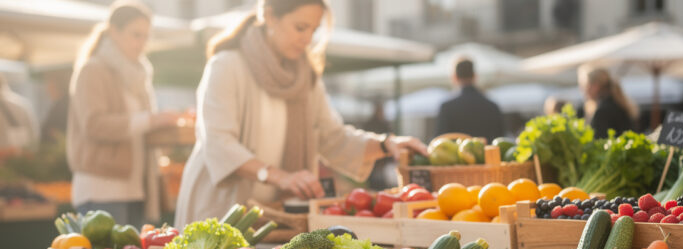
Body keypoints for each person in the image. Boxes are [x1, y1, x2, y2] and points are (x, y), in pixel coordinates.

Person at [174, 0, 426, 227]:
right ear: (270, 16)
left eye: (313, 30)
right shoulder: (226, 65)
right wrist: (280, 177)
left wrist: (386, 144)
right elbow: (219, 142)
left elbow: (333, 137)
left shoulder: (306, 77)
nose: (307, 38)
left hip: (275, 217)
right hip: (219, 209)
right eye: (300, 27)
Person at [67, 0, 179, 228]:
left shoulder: (139, 75)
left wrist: (164, 127)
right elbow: (94, 124)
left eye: (146, 36)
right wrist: (151, 120)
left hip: (137, 189)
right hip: (101, 190)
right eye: (136, 35)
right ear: (113, 32)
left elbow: (143, 128)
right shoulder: (93, 70)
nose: (142, 43)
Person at [435, 57, 505, 141]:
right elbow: (500, 138)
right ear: (475, 76)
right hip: (486, 153)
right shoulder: (492, 106)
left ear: (454, 77)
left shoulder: (447, 107)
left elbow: (440, 140)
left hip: (457, 154)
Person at [578, 66, 638, 139]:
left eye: (585, 86)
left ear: (595, 86)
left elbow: (599, 143)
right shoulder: (619, 103)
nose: (583, 91)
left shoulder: (602, 111)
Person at [40, 70, 71, 145]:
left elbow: (54, 131)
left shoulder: (61, 106)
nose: (47, 89)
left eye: (49, 84)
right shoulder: (65, 102)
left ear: (56, 84)